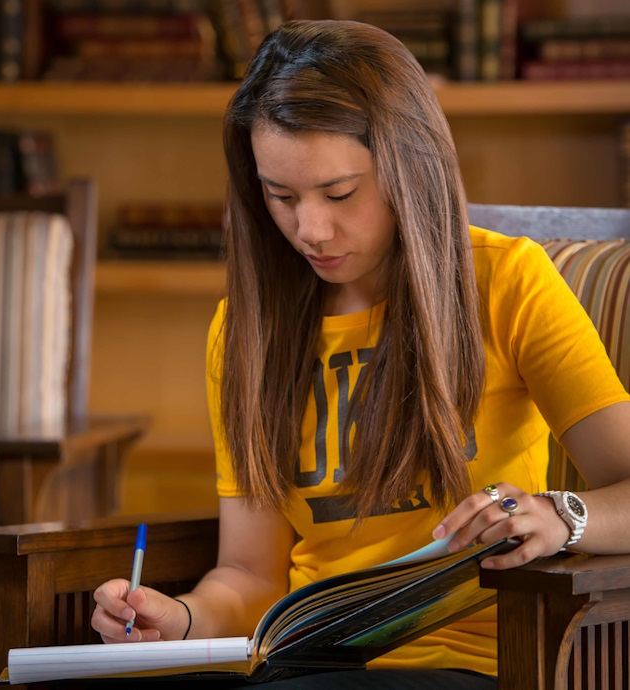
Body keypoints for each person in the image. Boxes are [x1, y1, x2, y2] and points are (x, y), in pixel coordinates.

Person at [91, 19, 630, 689]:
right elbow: (251, 575)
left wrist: (560, 515)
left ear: (410, 167)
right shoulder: (242, 330)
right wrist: (179, 619)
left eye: (340, 193)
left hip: (468, 661)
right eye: (280, 196)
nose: (310, 230)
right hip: (297, 664)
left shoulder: (507, 282)